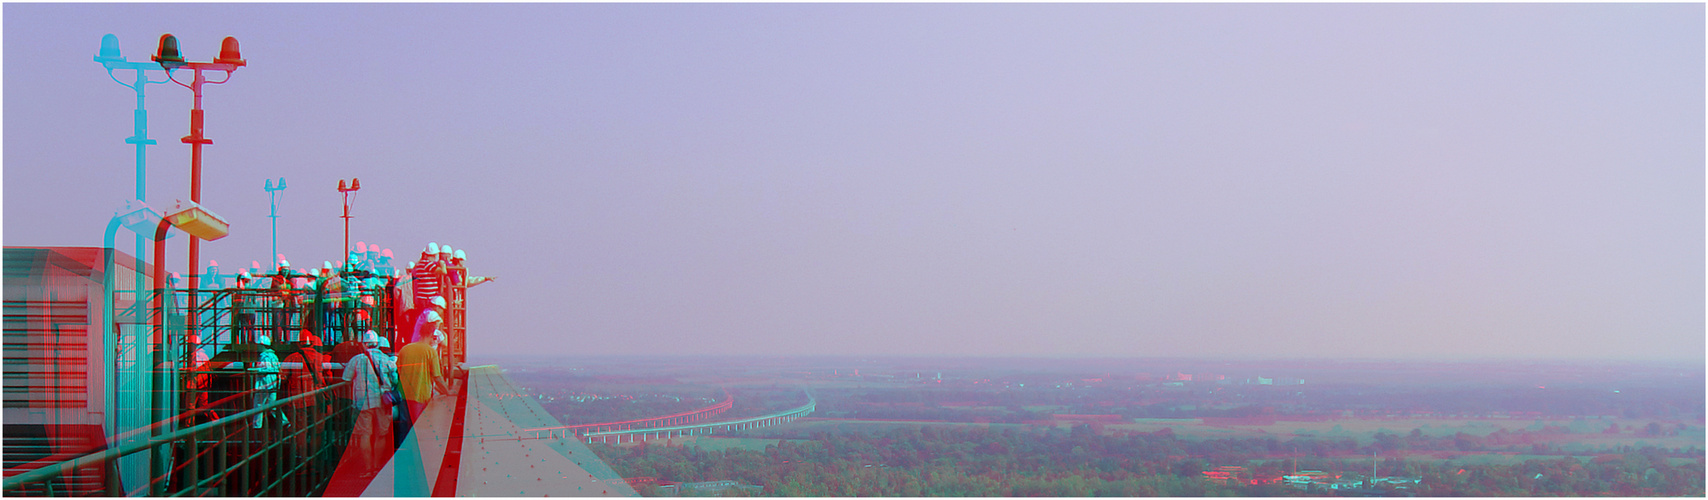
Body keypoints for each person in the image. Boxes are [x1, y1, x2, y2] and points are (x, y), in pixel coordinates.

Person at [340, 331, 394, 475]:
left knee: (365, 434)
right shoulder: (386, 359)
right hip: (383, 401)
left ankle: (369, 468)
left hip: (363, 402)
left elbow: (346, 379)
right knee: (381, 434)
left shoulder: (357, 359)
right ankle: (377, 466)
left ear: (364, 344)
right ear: (377, 343)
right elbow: (394, 379)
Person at [396, 317, 448, 422]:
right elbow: (437, 377)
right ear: (432, 335)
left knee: (403, 429)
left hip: (403, 396)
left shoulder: (405, 349)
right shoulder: (430, 352)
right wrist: (447, 391)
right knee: (417, 428)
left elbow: (397, 372)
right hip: (419, 397)